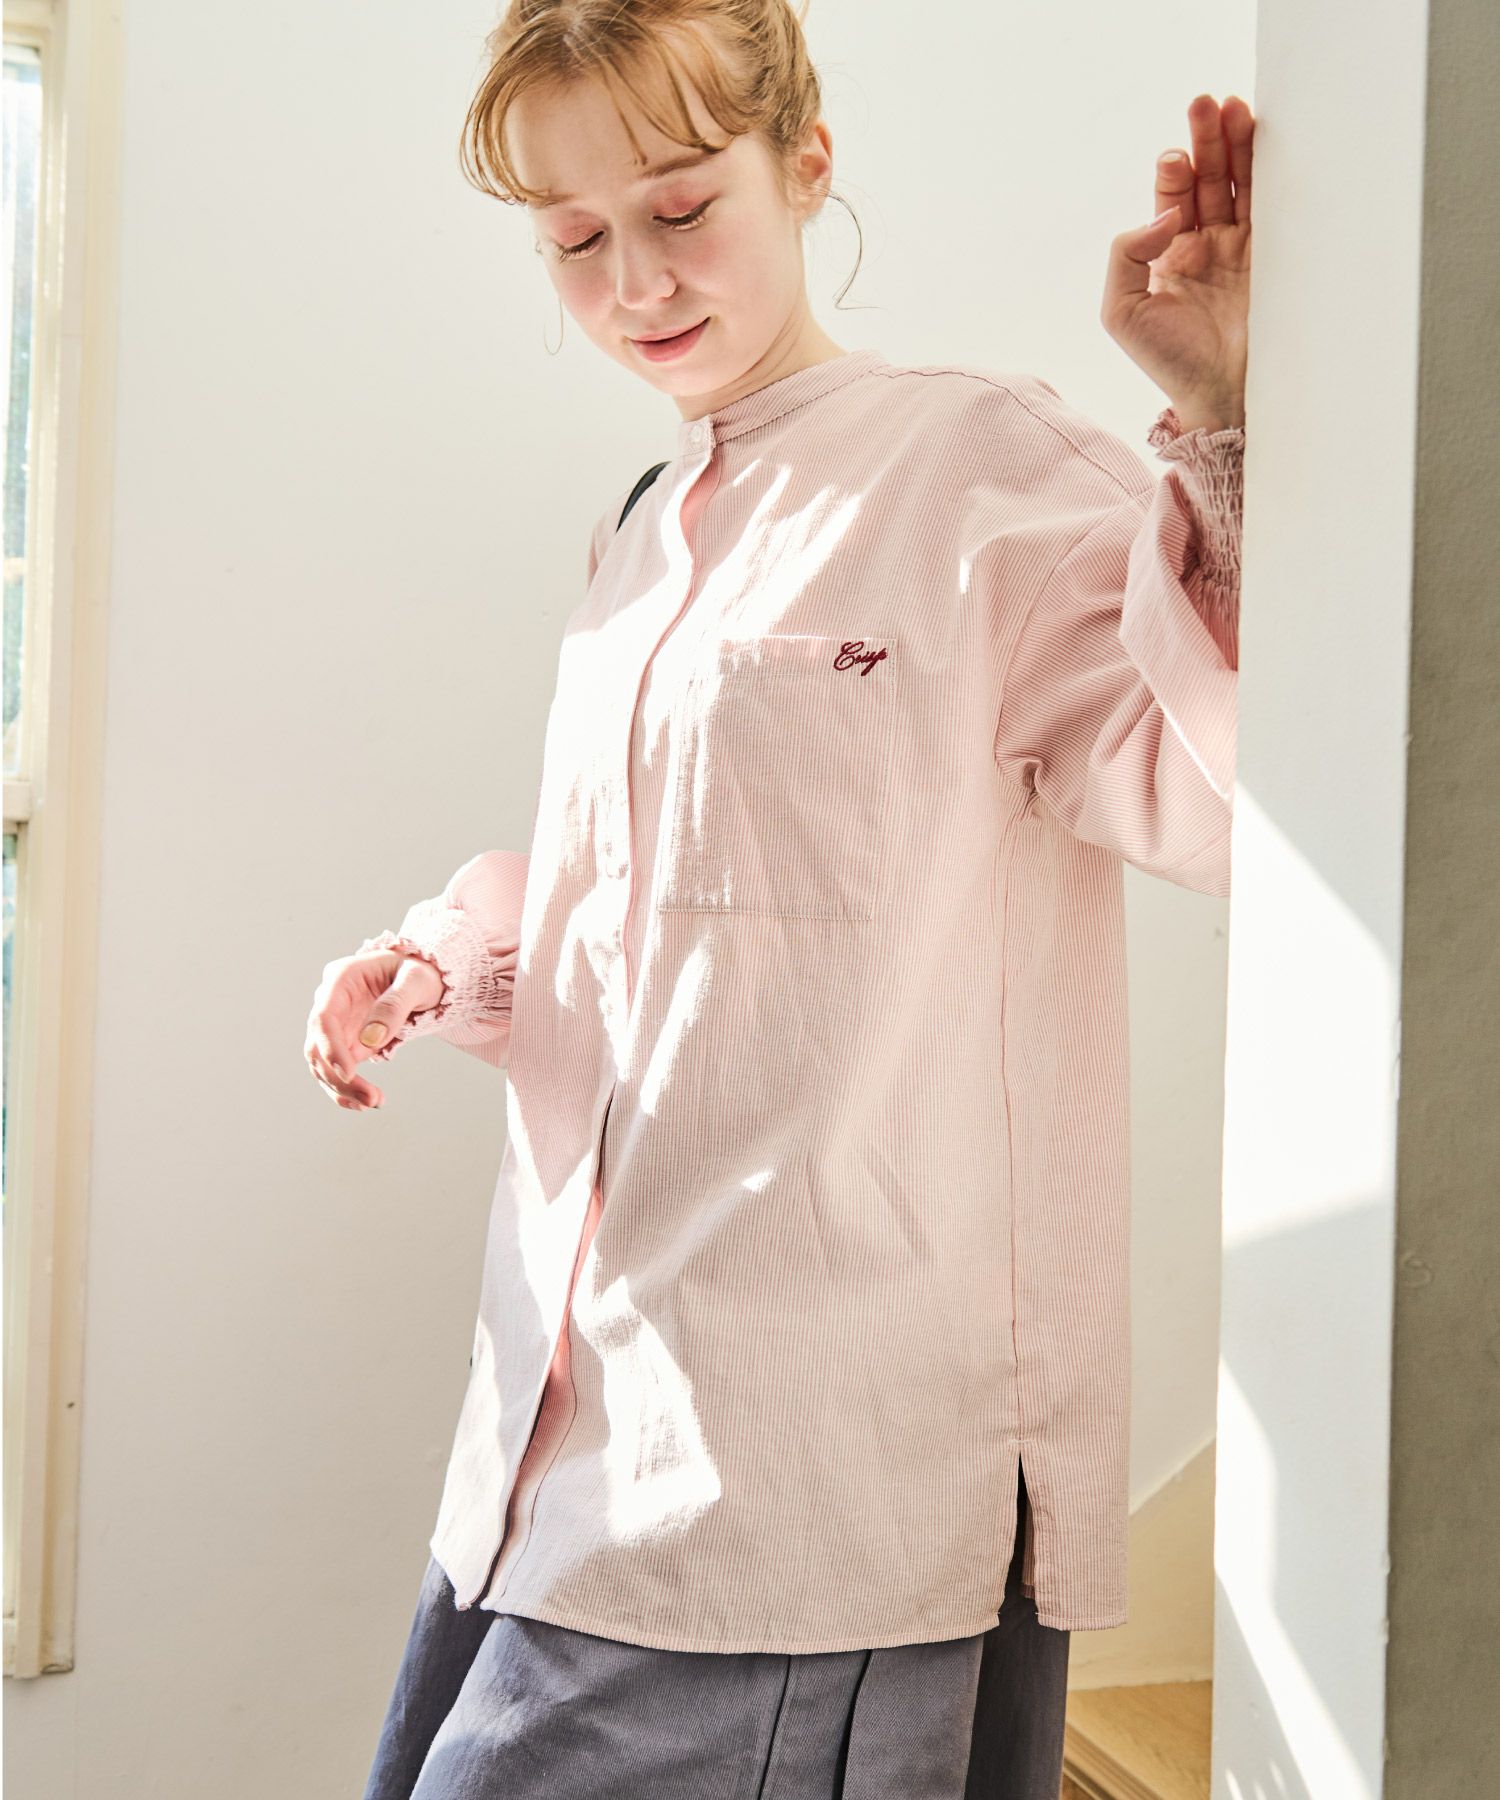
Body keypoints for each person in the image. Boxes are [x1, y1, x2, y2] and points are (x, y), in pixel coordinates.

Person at [303, 4, 1252, 1794]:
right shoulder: (643, 520)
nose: (635, 282)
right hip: (552, 1448)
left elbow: (1239, 798)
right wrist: (445, 965)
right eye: (574, 240)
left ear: (805, 163)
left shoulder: (986, 473)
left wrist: (1221, 421)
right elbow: (659, 914)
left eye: (681, 207)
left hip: (796, 1501)